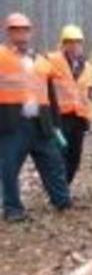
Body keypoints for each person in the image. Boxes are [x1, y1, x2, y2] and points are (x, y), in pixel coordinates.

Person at [0, 13, 72, 221]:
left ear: (31, 32)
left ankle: (62, 200)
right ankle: (13, 209)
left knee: (54, 162)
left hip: (41, 123)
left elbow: (51, 96)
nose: (21, 34)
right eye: (16, 30)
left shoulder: (41, 61)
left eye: (24, 30)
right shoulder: (1, 57)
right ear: (8, 32)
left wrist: (56, 124)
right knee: (9, 167)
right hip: (11, 124)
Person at [46, 25, 92, 184]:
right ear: (63, 44)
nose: (74, 46)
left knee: (75, 156)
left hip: (79, 119)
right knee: (60, 153)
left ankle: (64, 186)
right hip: (59, 119)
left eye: (78, 42)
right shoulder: (51, 60)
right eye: (70, 42)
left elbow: (88, 91)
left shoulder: (88, 67)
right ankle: (60, 191)